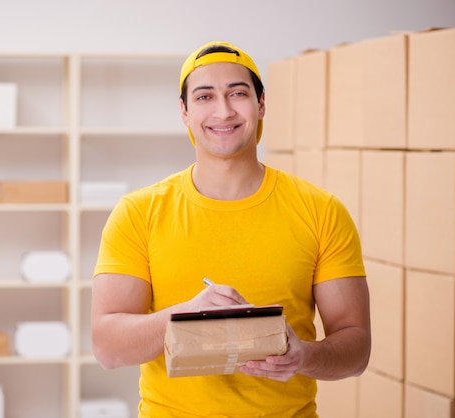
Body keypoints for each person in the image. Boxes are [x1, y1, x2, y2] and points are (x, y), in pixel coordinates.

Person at [91, 41, 371, 417]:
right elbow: (107, 347)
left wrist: (306, 355)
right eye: (205, 96)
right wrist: (184, 317)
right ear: (185, 113)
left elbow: (356, 348)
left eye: (237, 93)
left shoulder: (321, 210)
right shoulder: (138, 213)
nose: (223, 111)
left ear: (261, 104)